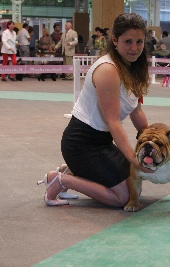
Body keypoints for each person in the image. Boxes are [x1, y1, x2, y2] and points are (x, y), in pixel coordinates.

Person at [37, 13, 154, 207]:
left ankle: (70, 170)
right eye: (128, 42)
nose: (134, 48)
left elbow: (136, 111)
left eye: (139, 42)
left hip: (102, 142)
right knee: (123, 197)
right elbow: (113, 122)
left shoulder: (133, 67)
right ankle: (60, 180)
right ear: (115, 40)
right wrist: (133, 158)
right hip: (81, 144)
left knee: (135, 182)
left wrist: (151, 142)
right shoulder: (108, 69)